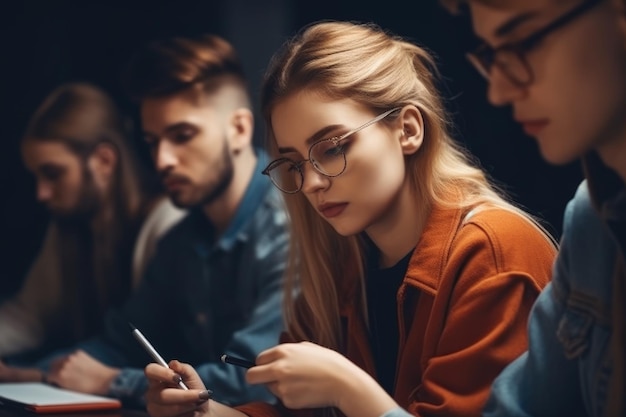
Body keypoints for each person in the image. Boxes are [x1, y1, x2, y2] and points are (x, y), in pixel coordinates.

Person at [141, 21, 559, 417]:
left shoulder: (493, 252)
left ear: (409, 129)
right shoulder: (340, 263)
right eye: (293, 163)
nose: (311, 183)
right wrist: (210, 411)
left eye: (331, 147)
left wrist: (346, 387)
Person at [12, 33, 289, 409]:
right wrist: (42, 372)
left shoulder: (288, 230)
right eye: (152, 140)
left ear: (239, 129)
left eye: (182, 135)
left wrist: (113, 381)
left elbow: (258, 381)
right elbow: (115, 341)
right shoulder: (181, 240)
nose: (163, 160)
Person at [437, 0, 626, 416]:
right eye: (491, 54)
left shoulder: (489, 242)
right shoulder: (590, 219)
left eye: (523, 41)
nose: (499, 90)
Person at [0, 82, 184, 371]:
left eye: (52, 173)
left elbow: (134, 347)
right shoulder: (68, 226)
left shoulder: (166, 223)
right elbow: (29, 316)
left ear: (103, 160)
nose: (42, 193)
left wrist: (31, 374)